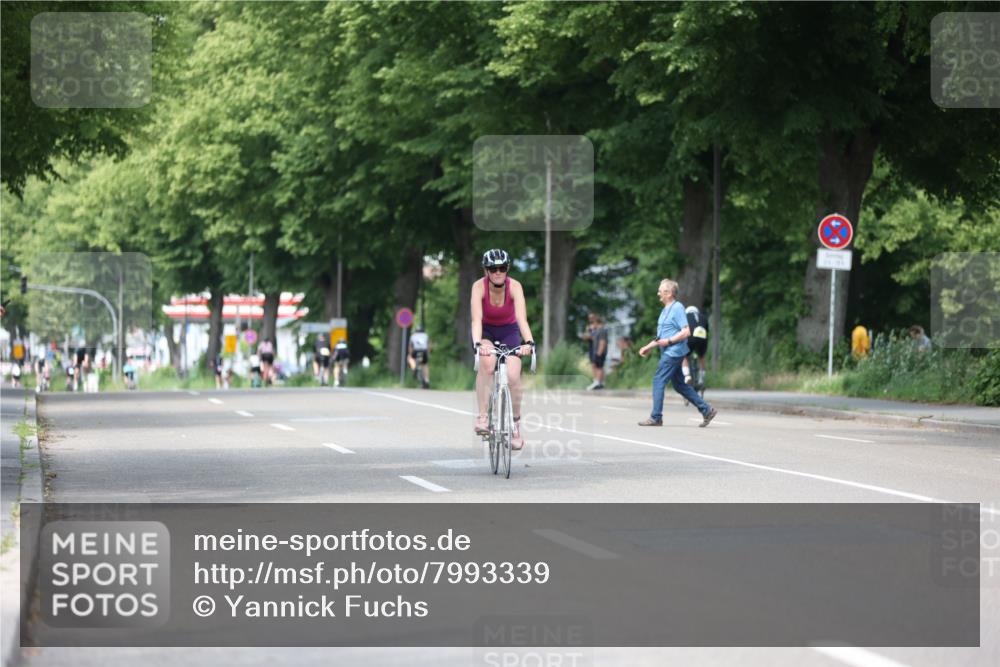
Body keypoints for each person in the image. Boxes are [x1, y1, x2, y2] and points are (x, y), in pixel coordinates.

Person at [470, 248, 536, 450]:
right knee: (488, 364)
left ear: (507, 269)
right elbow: (476, 320)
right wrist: (478, 344)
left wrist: (529, 343)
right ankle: (483, 417)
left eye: (502, 268)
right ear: (486, 270)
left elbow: (522, 320)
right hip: (486, 331)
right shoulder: (478, 287)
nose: (498, 272)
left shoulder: (515, 286)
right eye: (493, 268)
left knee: (514, 376)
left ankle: (515, 426)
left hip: (509, 331)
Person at [637, 279, 717, 428]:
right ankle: (707, 410)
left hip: (673, 352)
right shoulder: (664, 310)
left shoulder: (677, 308)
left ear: (669, 293)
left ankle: (656, 417)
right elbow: (661, 337)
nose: (658, 293)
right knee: (680, 385)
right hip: (668, 350)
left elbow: (686, 331)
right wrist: (648, 346)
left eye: (661, 290)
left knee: (658, 381)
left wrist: (669, 342)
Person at [681, 305, 709, 385]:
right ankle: (701, 378)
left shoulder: (685, 317)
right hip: (702, 338)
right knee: (701, 356)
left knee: (684, 356)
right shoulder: (703, 317)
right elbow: (707, 331)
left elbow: (682, 330)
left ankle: (687, 376)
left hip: (690, 338)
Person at [583, 313, 608, 390]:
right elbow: (586, 338)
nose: (592, 324)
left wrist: (599, 353)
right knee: (596, 366)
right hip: (595, 351)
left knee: (598, 366)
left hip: (599, 351)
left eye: (593, 322)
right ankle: (599, 382)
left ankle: (597, 382)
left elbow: (603, 342)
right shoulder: (595, 331)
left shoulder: (601, 330)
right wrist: (588, 330)